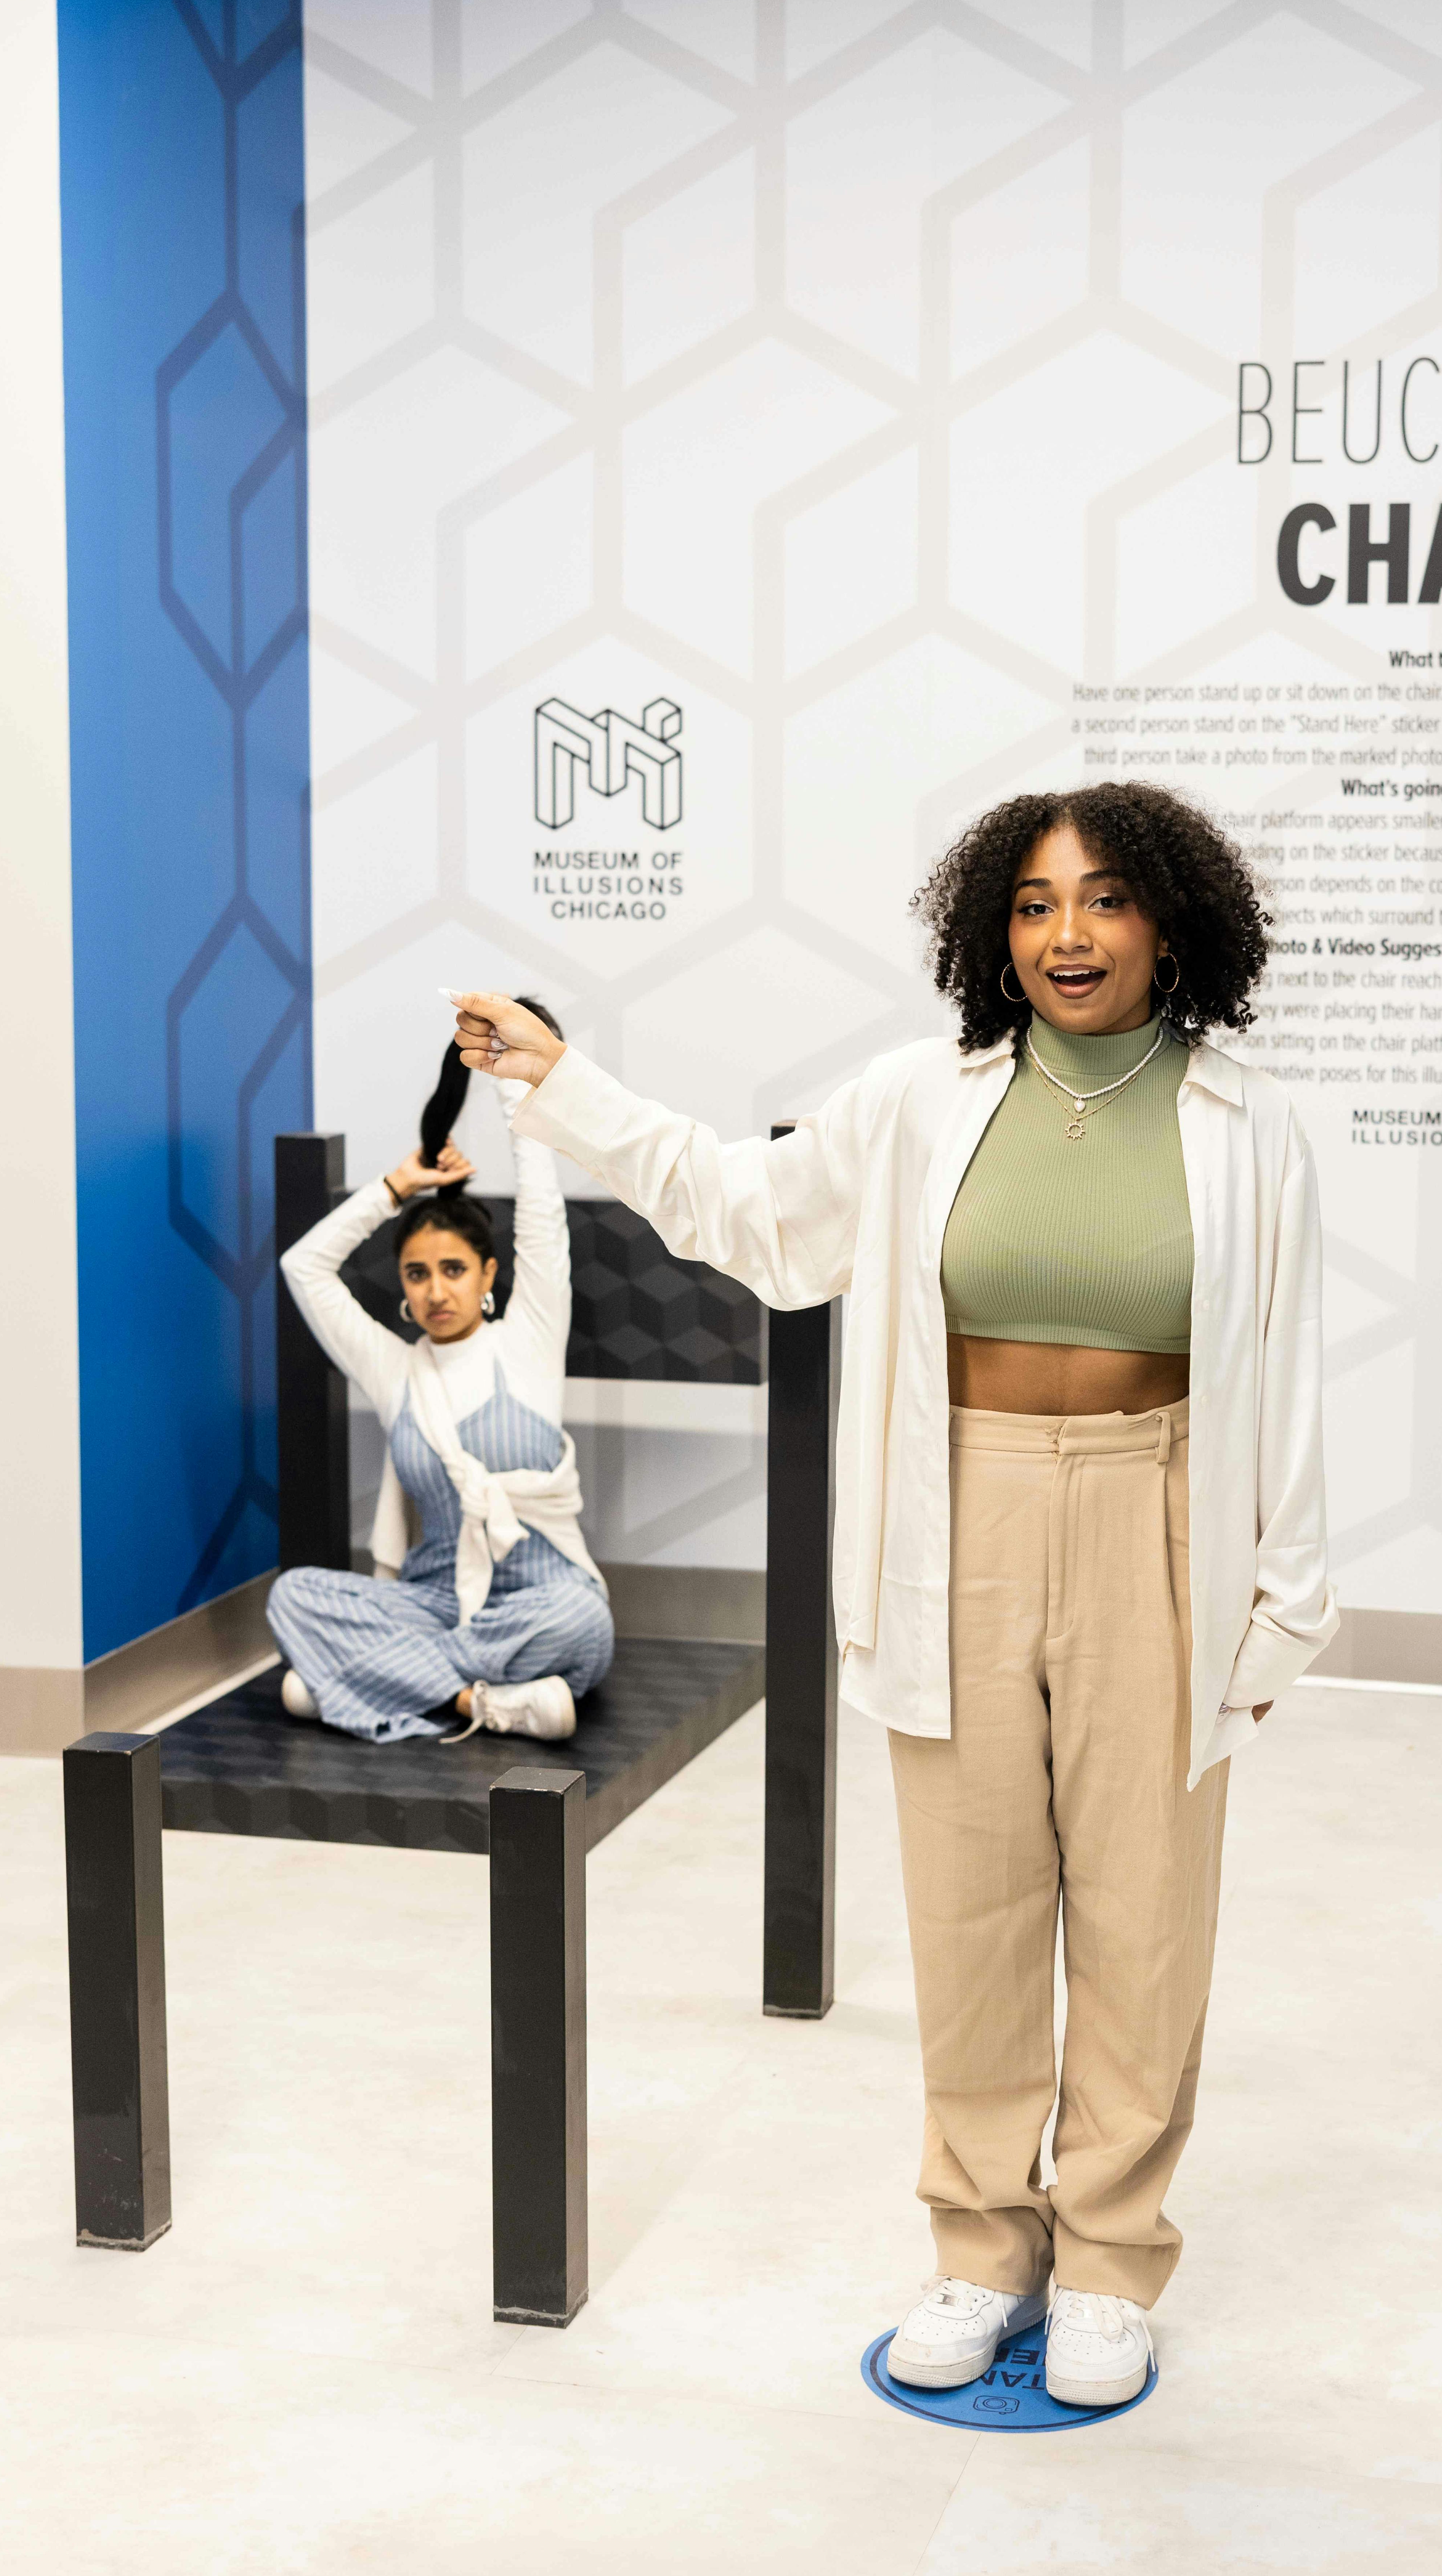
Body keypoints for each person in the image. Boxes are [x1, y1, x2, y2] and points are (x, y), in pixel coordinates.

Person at [451, 784, 1335, 2404]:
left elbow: (1285, 1371)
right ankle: (982, 2245)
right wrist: (560, 1083)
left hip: (1162, 1512)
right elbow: (744, 1212)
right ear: (990, 932)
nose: (1066, 935)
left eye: (1104, 900)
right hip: (963, 1509)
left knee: (1145, 1908)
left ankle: (1114, 2255)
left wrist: (1283, 1606)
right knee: (974, 1896)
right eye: (1031, 905)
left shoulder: (1245, 1119)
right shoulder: (922, 1100)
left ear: (1170, 922)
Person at [267, 999, 614, 1744]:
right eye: (417, 1274)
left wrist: (510, 1080)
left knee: (583, 1625)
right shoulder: (396, 1371)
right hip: (435, 1603)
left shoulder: (527, 1339)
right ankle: (478, 1704)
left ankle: (350, 1684)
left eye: (452, 1270)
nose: (434, 1289)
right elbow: (304, 1267)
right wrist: (396, 1187)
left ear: (487, 1275)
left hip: (540, 1598)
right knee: (294, 1598)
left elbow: (542, 1214)